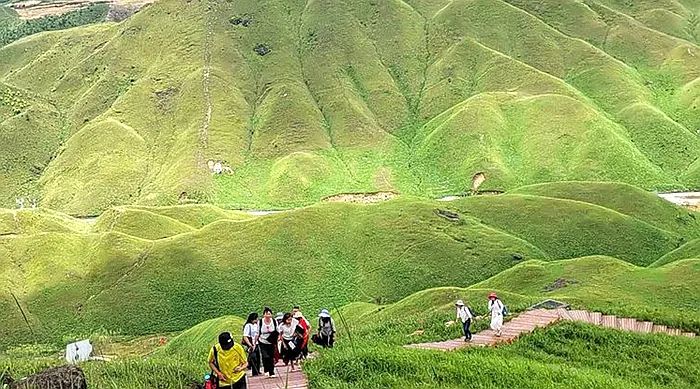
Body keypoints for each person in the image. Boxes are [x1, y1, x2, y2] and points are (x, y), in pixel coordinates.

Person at [256, 307, 278, 377]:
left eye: (269, 314)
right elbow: (257, 332)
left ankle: (272, 372)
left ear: (271, 315)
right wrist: (255, 342)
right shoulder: (260, 322)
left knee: (271, 357)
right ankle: (266, 369)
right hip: (262, 341)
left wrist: (278, 338)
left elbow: (277, 330)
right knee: (265, 356)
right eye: (266, 314)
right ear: (264, 315)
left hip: (271, 341)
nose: (268, 315)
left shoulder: (274, 321)